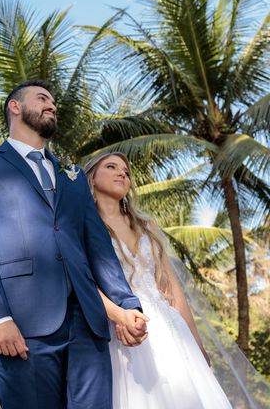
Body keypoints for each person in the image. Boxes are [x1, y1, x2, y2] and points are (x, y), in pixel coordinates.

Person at [0, 80, 149, 408]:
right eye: (42, 98)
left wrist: (128, 305)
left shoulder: (72, 178)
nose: (52, 105)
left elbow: (98, 248)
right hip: (21, 324)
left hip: (87, 323)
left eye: (54, 102)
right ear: (14, 107)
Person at [84, 152, 232, 408]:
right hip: (125, 330)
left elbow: (172, 288)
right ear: (92, 178)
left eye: (126, 171)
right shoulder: (84, 225)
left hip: (170, 329)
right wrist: (118, 315)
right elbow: (85, 282)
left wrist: (196, 342)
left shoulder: (146, 225)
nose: (122, 173)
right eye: (111, 167)